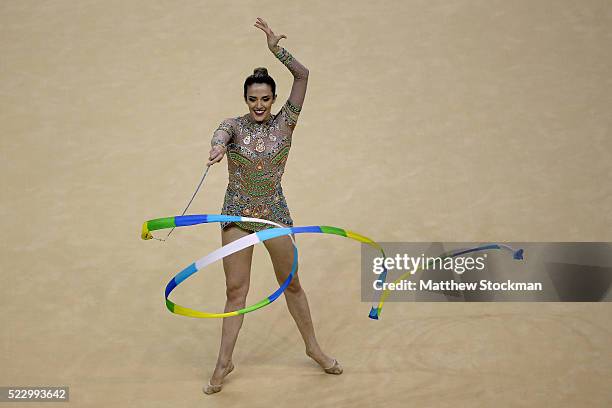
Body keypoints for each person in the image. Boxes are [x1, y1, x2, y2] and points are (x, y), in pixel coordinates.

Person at [203, 18, 342, 395]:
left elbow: (303, 76)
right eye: (253, 99)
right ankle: (223, 361)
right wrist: (216, 148)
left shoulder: (286, 124)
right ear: (245, 99)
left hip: (273, 214)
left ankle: (313, 348)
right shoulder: (233, 125)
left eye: (265, 99)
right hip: (237, 215)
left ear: (274, 99)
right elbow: (221, 134)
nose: (259, 105)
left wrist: (276, 50)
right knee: (236, 292)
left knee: (291, 284)